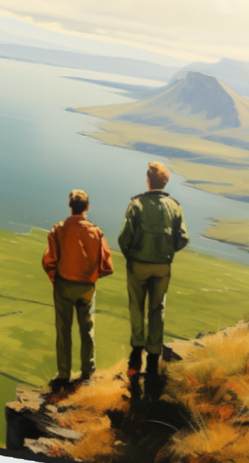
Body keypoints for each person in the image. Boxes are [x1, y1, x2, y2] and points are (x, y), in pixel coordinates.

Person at [118, 162, 188, 384]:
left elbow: (124, 237)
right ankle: (153, 359)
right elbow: (183, 238)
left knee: (136, 307)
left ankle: (136, 355)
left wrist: (131, 256)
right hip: (162, 266)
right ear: (165, 182)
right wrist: (168, 252)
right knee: (157, 310)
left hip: (138, 264)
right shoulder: (175, 206)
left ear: (148, 180)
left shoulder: (137, 203)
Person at [41, 189, 114, 388]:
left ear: (70, 206)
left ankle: (63, 374)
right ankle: (87, 372)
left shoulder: (58, 229)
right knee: (87, 331)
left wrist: (54, 279)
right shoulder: (97, 232)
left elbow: (49, 260)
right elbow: (107, 265)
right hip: (87, 288)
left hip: (63, 286)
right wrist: (91, 276)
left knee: (63, 332)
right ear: (87, 207)